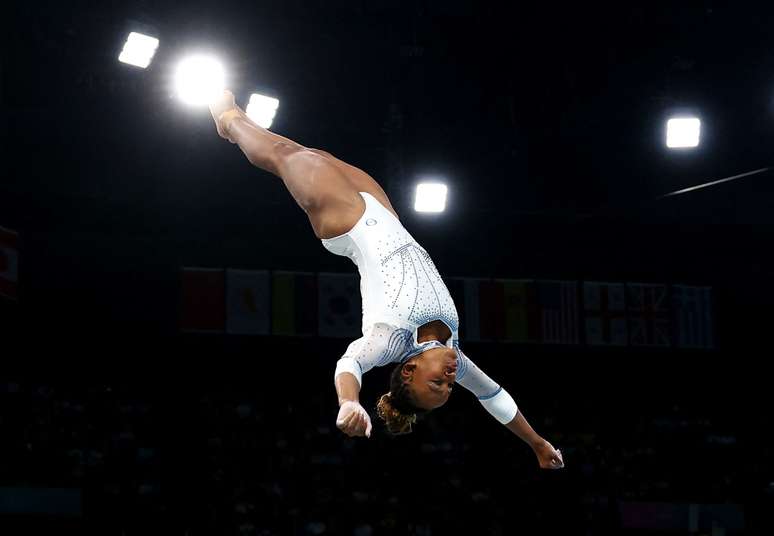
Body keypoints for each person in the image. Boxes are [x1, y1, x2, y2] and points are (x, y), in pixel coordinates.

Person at [209, 91, 564, 469]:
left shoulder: (390, 340)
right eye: (447, 387)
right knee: (307, 152)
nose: (448, 380)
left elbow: (350, 364)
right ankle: (236, 121)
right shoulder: (455, 355)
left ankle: (228, 121)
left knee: (286, 157)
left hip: (346, 224)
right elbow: (494, 397)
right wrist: (538, 444)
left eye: (436, 385)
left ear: (409, 371)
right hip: (383, 214)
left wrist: (349, 402)